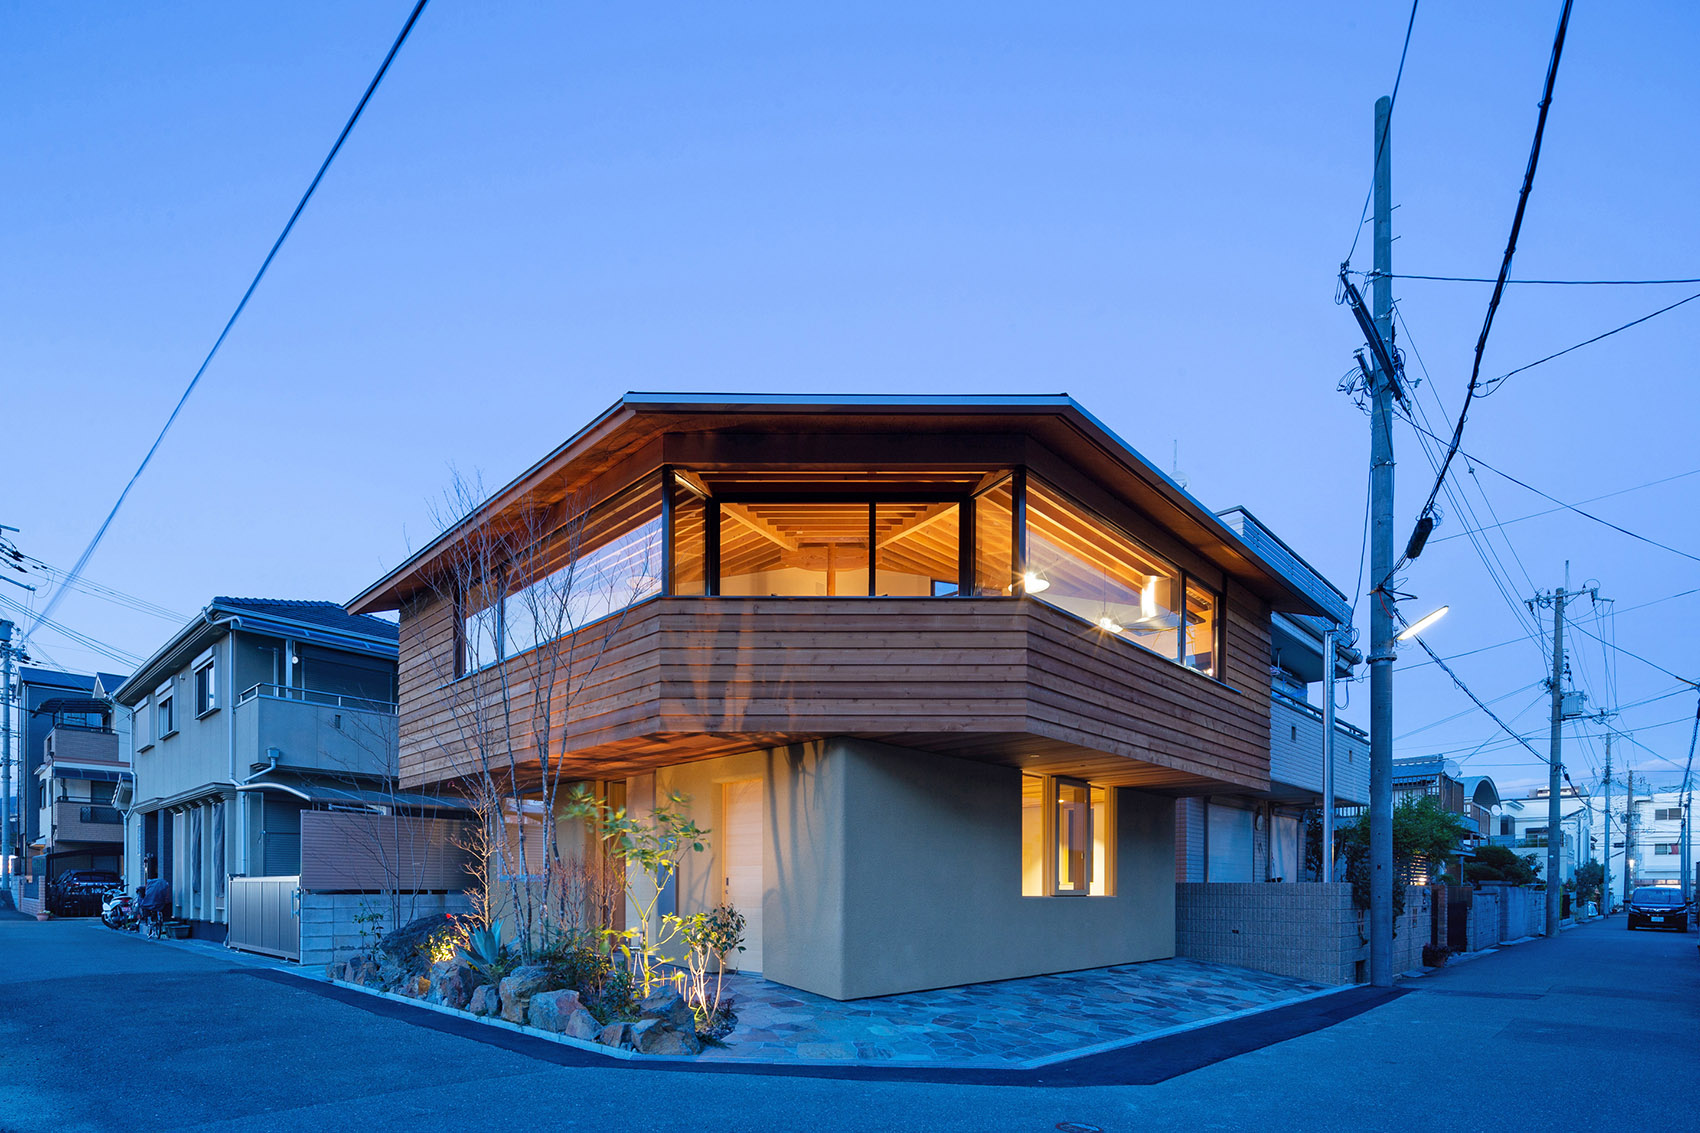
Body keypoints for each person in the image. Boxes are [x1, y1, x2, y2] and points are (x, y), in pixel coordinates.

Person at [138, 854, 171, 933]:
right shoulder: (163, 884)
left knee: (145, 906)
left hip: (150, 902)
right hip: (160, 902)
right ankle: (157, 922)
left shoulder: (149, 885)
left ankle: (149, 920)